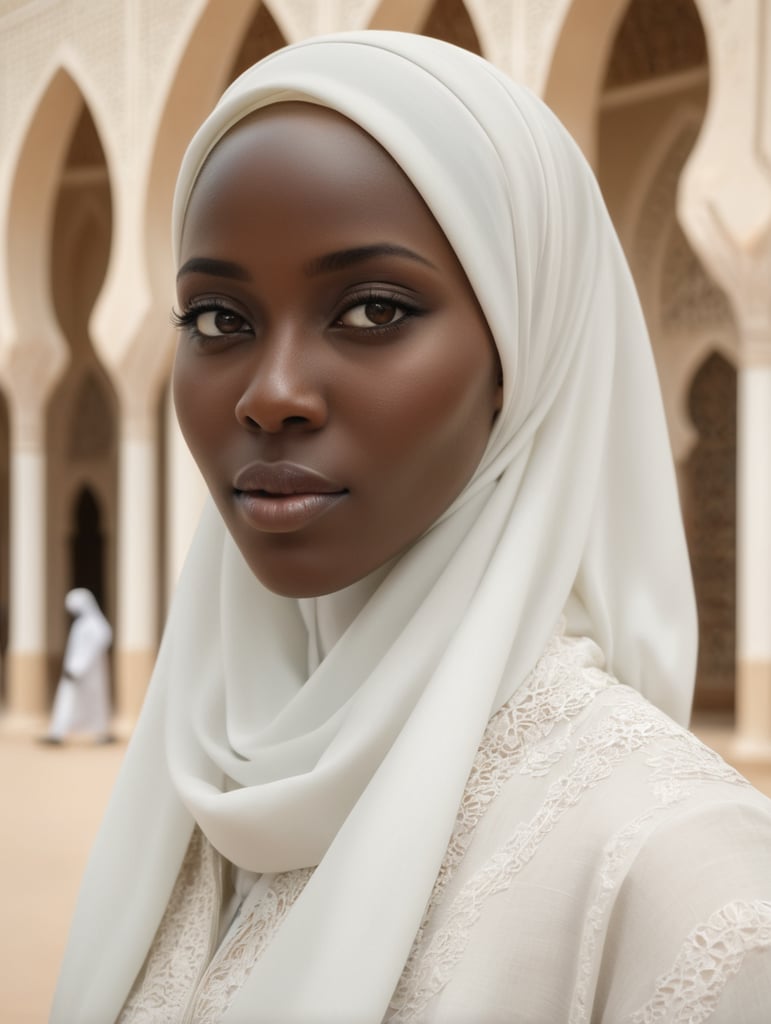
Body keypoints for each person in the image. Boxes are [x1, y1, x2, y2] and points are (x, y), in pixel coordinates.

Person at [51, 31, 771, 1023]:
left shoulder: (683, 886)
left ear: (521, 355)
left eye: (373, 310)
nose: (271, 395)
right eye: (217, 319)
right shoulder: (200, 786)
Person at [41, 587, 113, 745]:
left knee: (93, 701)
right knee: (68, 700)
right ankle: (57, 732)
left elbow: (98, 643)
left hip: (86, 672)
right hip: (75, 671)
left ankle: (101, 732)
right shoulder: (81, 624)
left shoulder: (94, 624)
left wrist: (79, 667)